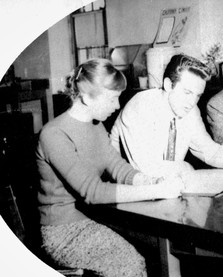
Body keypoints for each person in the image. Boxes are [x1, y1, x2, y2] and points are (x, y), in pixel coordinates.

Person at [36, 59, 184, 277]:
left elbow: (117, 167)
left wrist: (150, 181)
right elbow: (93, 192)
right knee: (131, 265)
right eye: (112, 99)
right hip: (63, 231)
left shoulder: (96, 125)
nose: (117, 106)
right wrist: (157, 192)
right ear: (86, 98)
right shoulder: (54, 134)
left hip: (97, 217)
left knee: (157, 248)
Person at [110, 54, 223, 178]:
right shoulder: (141, 107)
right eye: (187, 92)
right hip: (121, 191)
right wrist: (184, 168)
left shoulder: (188, 110)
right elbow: (145, 170)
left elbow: (210, 151)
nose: (192, 101)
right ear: (168, 85)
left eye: (197, 95)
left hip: (163, 188)